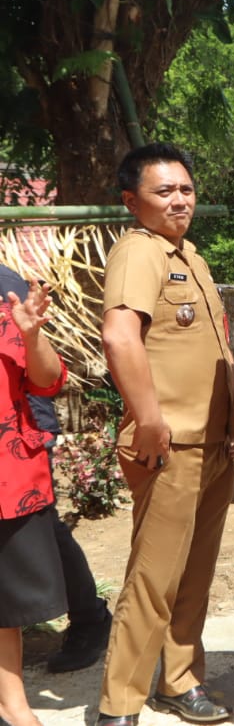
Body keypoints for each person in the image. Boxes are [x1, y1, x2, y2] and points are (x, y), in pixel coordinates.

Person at [97, 143, 234, 726]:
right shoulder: (139, 251)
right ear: (131, 201)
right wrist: (149, 419)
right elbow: (119, 337)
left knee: (194, 577)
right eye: (165, 191)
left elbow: (216, 348)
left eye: (185, 189)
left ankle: (180, 682)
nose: (180, 199)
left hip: (209, 444)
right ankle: (120, 704)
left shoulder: (191, 257)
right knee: (154, 578)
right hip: (169, 444)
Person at [0, 265, 113, 673]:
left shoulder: (4, 286)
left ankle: (89, 618)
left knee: (39, 527)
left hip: (16, 430)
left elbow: (43, 377)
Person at [0, 277, 68, 726]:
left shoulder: (8, 299)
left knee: (5, 600)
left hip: (6, 475)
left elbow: (47, 382)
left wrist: (30, 333)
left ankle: (14, 705)